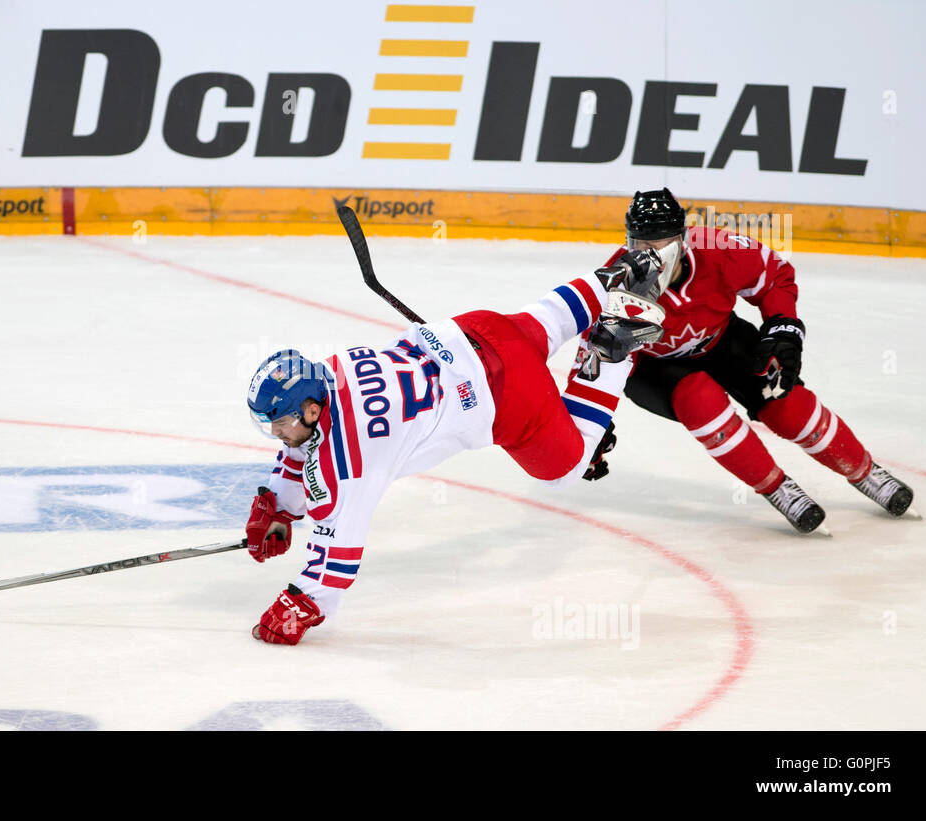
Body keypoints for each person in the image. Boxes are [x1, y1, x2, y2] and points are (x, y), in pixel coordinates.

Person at [242, 253, 666, 645]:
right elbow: (305, 449)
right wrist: (279, 506)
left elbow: (338, 557)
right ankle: (621, 270)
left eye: (279, 424)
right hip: (470, 331)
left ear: (313, 410)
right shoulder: (330, 370)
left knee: (567, 468)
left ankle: (611, 348)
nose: (278, 435)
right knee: (543, 324)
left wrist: (299, 605)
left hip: (505, 391)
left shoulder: (347, 461)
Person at [603, 188, 914, 533]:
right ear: (628, 243)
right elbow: (597, 357)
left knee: (787, 405)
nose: (653, 257)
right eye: (641, 246)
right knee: (699, 400)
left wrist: (783, 329)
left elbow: (775, 275)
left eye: (664, 244)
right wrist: (589, 420)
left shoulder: (718, 248)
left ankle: (865, 472)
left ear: (685, 239)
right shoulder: (613, 286)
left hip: (722, 340)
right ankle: (777, 489)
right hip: (654, 369)